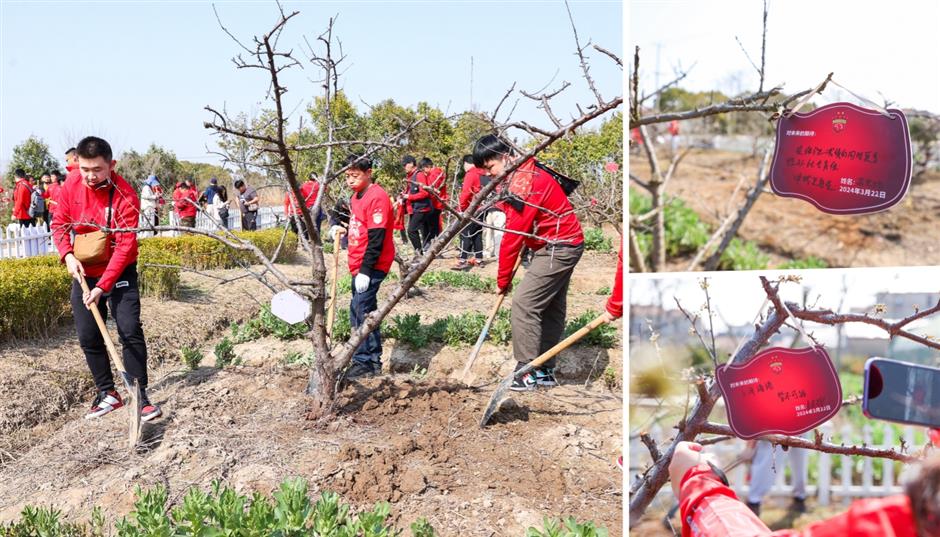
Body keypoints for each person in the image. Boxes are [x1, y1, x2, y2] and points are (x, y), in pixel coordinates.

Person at [50, 136, 161, 422]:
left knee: (129, 329)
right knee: (88, 335)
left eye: (97, 169)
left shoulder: (125, 195)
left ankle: (140, 395)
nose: (90, 176)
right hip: (84, 270)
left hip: (119, 270)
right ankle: (108, 393)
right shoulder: (71, 184)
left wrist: (103, 286)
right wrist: (68, 256)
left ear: (111, 165)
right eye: (84, 169)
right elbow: (60, 224)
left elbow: (126, 247)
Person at [473, 134, 584, 391]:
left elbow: (513, 236)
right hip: (560, 242)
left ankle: (527, 370)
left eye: (490, 167)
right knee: (551, 307)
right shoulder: (522, 173)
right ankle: (544, 371)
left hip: (559, 245)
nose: (490, 175)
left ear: (505, 157)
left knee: (524, 304)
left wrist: (503, 280)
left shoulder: (524, 183)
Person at [668, 440, 937, 537]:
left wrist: (698, 483)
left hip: (797, 432)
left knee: (792, 471)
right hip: (774, 432)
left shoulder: (902, 523)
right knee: (766, 470)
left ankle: (795, 498)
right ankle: (759, 502)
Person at [329, 154, 395, 380]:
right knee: (364, 310)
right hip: (358, 265)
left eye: (355, 176)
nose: (350, 180)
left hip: (373, 264)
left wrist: (366, 270)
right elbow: (357, 223)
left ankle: (365, 361)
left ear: (369, 173)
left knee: (359, 309)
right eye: (347, 176)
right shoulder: (356, 196)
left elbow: (377, 238)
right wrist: (339, 227)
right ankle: (371, 360)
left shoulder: (377, 197)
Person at [746, 439, 809, 515]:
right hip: (776, 429)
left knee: (799, 460)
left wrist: (750, 446)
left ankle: (799, 499)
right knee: (769, 459)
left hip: (798, 428)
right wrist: (750, 445)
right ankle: (753, 503)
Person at [454, 154, 486, 270]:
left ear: (466, 163)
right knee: (477, 234)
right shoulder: (483, 173)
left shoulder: (471, 174)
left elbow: (466, 193)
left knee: (465, 233)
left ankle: (462, 260)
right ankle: (479, 259)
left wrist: (461, 208)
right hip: (482, 208)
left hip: (471, 208)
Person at [402, 155, 433, 255]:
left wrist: (409, 197)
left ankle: (419, 254)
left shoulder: (419, 175)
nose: (404, 167)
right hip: (415, 209)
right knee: (413, 231)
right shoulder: (410, 176)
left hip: (422, 208)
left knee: (411, 231)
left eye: (404, 165)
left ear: (411, 164)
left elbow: (425, 193)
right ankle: (419, 253)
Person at [419, 157, 446, 242]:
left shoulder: (434, 175)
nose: (424, 172)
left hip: (434, 204)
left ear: (427, 166)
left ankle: (433, 247)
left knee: (433, 228)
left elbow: (432, 190)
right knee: (435, 226)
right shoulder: (439, 172)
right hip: (439, 203)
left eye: (424, 169)